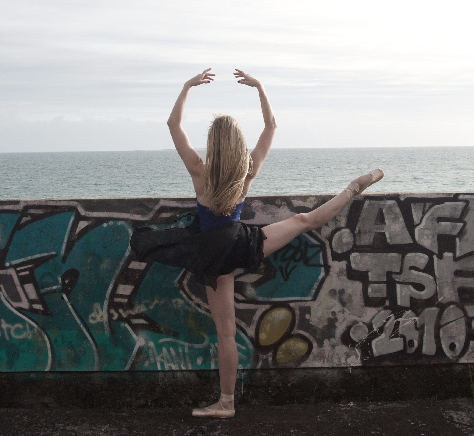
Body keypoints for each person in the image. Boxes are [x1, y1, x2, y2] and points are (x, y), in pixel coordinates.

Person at [137, 68, 383, 419]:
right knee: (304, 221)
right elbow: (271, 128)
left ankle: (226, 403)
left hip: (211, 254)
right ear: (237, 145)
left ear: (214, 143)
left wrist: (187, 86)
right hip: (242, 243)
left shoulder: (200, 171)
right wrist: (260, 88)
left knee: (225, 332)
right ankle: (352, 188)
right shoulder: (246, 170)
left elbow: (173, 126)